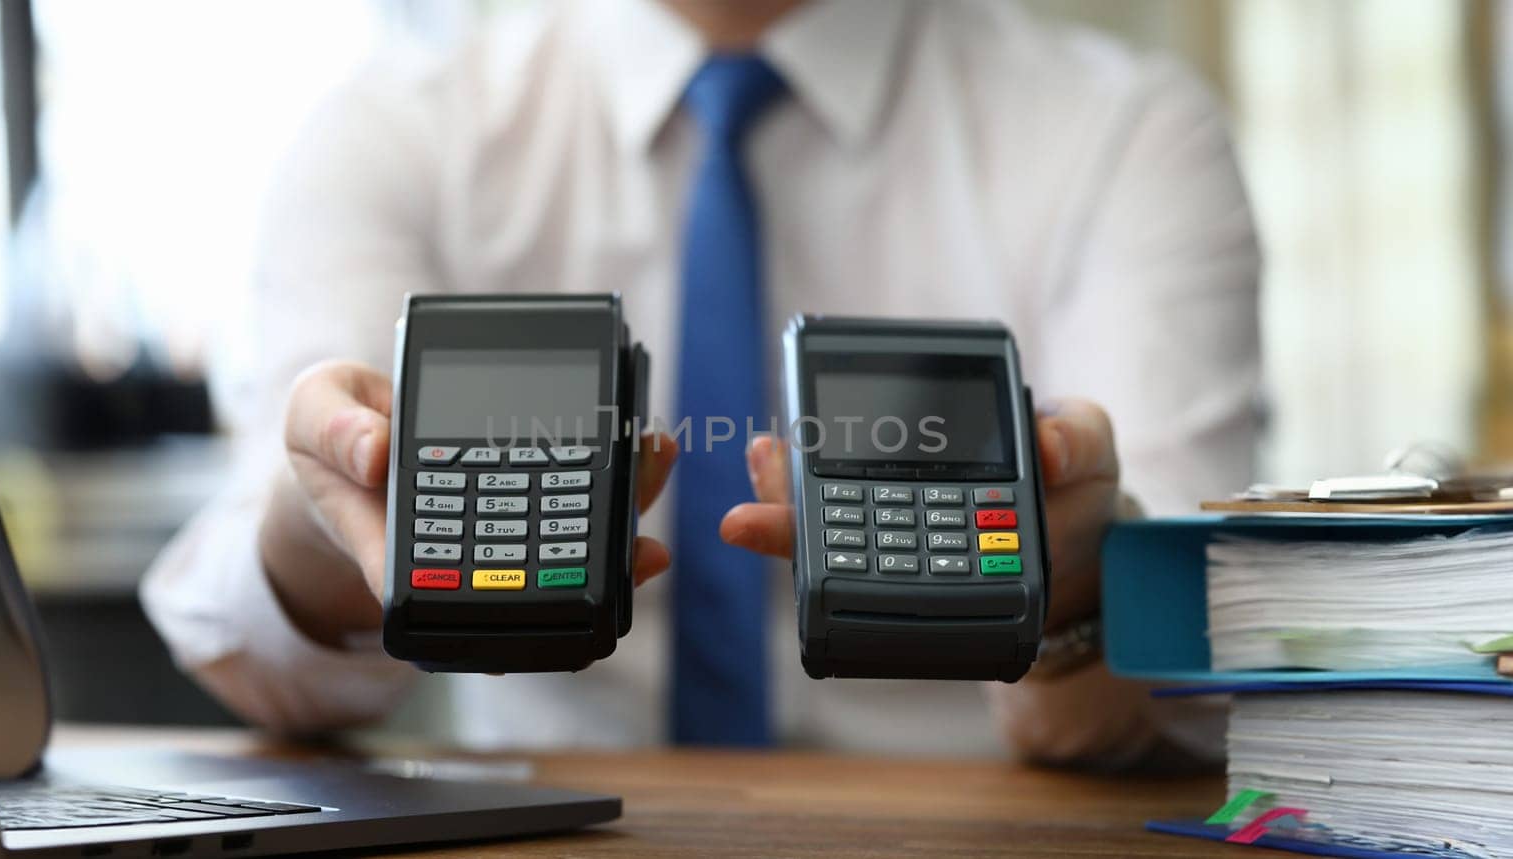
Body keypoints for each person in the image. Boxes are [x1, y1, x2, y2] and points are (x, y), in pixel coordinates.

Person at [142, 0, 1258, 766]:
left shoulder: (1124, 134)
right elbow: (257, 668)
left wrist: (1066, 601)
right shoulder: (393, 130)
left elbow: (1198, 692)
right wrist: (329, 527)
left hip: (970, 818)